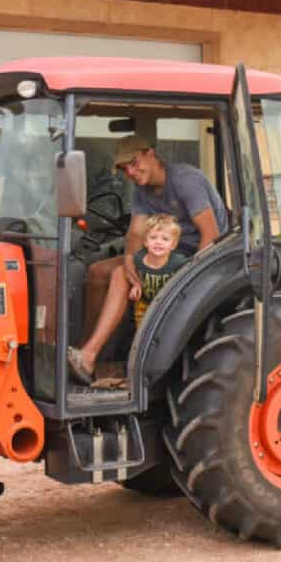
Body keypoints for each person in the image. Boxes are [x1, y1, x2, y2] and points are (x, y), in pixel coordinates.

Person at [71, 133, 228, 384]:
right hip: (162, 251)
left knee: (119, 276)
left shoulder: (185, 181)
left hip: (196, 257)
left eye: (134, 163)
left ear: (150, 154)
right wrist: (131, 261)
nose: (130, 172)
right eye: (124, 169)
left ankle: (89, 354)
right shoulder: (143, 191)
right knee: (98, 271)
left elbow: (211, 234)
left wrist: (187, 278)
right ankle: (88, 352)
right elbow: (135, 233)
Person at [69, 214, 188, 382]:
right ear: (145, 242)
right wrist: (136, 285)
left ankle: (91, 355)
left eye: (165, 239)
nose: (158, 242)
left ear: (174, 245)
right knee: (108, 271)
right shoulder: (140, 258)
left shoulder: (179, 263)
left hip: (162, 305)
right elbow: (130, 260)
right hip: (143, 306)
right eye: (153, 238)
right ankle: (88, 353)